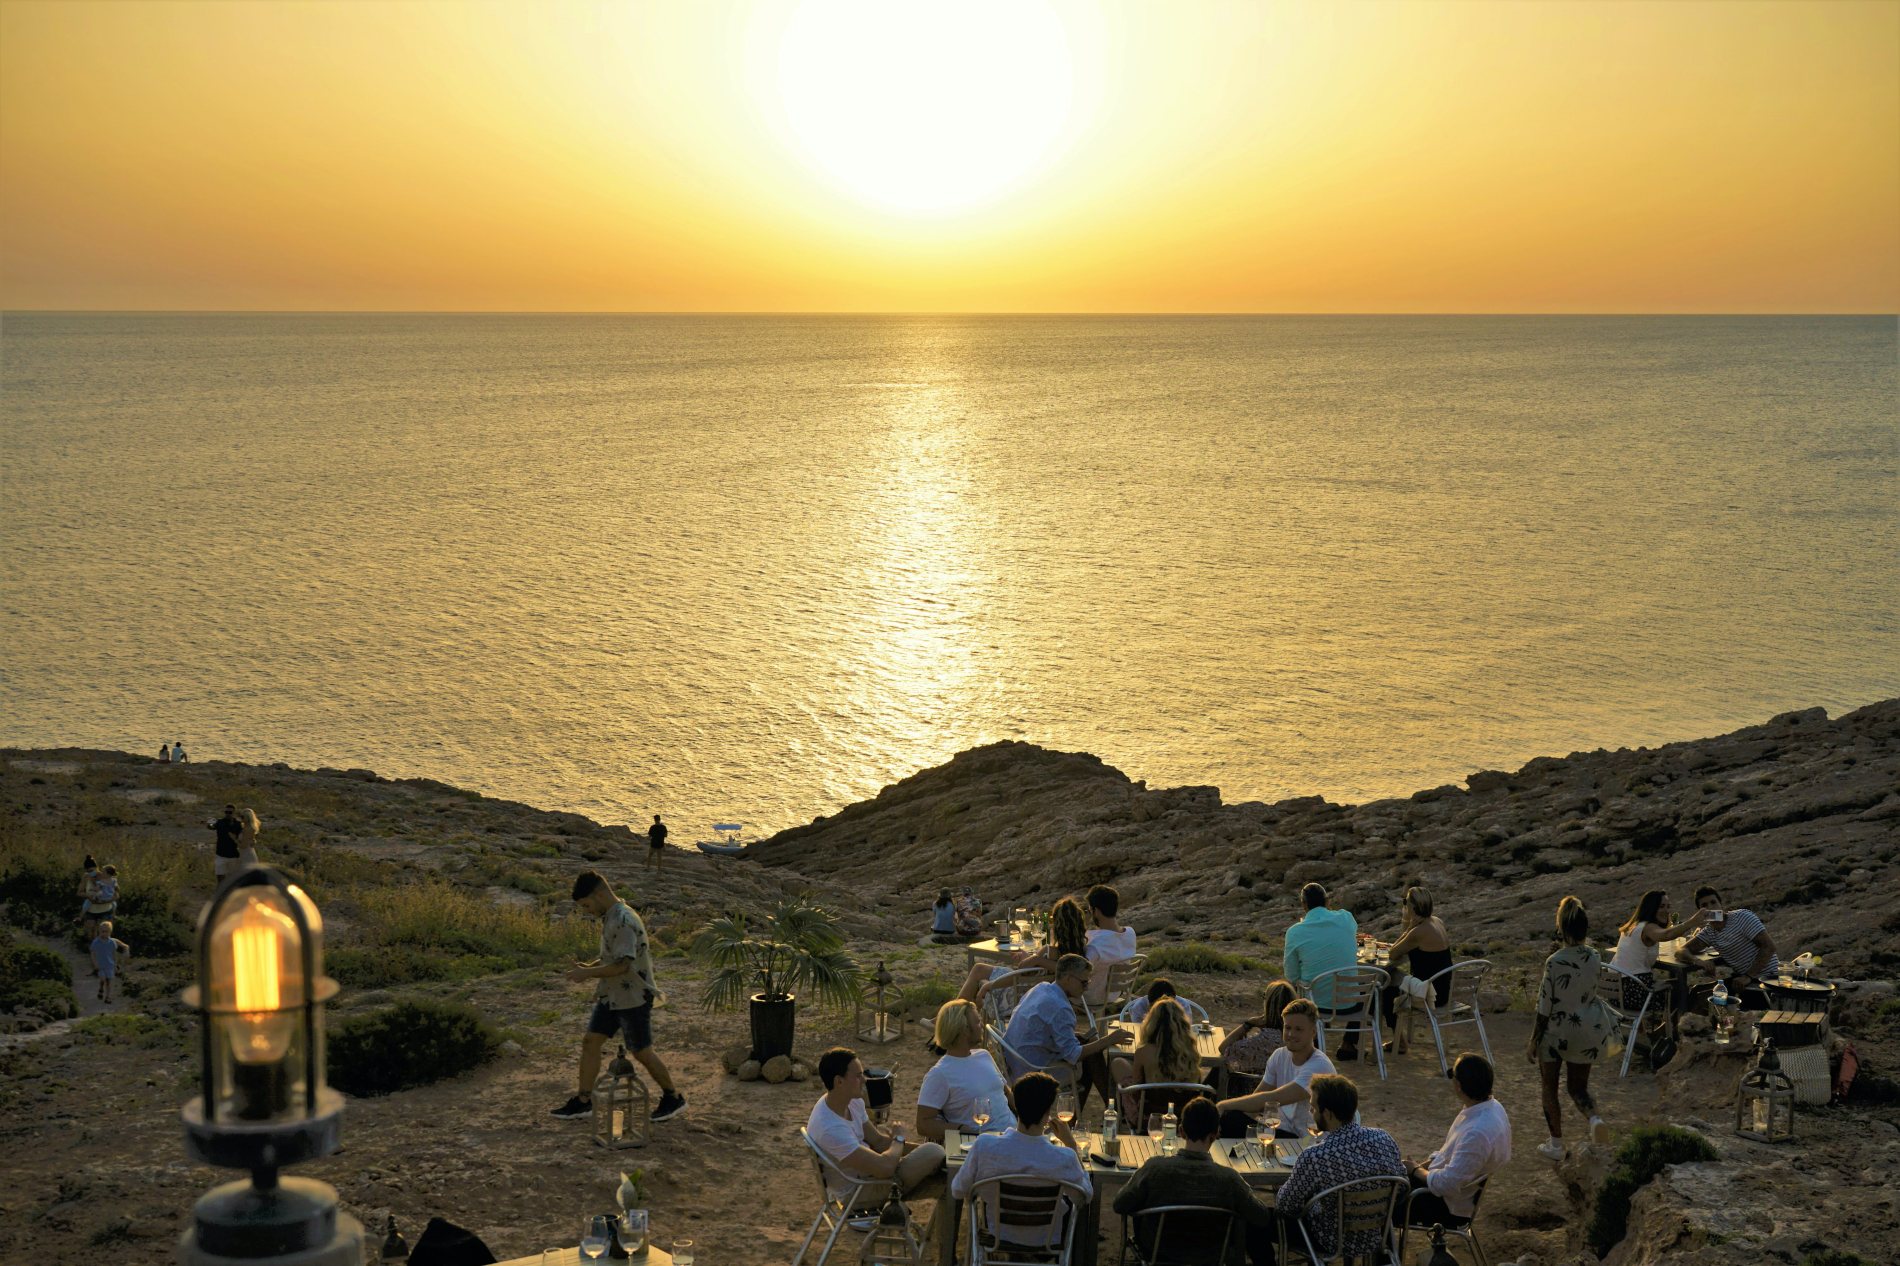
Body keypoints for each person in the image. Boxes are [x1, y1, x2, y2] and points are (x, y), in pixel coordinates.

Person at [551, 871, 686, 1123]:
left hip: (633, 997)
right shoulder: (612, 916)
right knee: (591, 1042)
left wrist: (587, 973)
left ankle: (673, 1097)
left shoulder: (623, 919)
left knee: (642, 1052)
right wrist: (588, 966)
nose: (587, 911)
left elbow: (623, 965)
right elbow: (613, 959)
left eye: (587, 905)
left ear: (599, 894)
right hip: (612, 996)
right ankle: (583, 1102)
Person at [1112, 1096, 1275, 1266]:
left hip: (1158, 1252)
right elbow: (1261, 1216)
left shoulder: (1154, 1169)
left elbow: (1120, 1204)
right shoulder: (1229, 1179)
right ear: (1216, 1134)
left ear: (1181, 1131)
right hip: (1211, 1254)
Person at [808, 1048, 947, 1229]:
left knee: (937, 1160)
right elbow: (886, 1168)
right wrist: (898, 1139)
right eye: (858, 1076)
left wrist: (918, 1151)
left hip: (870, 1175)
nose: (864, 1080)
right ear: (839, 1081)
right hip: (859, 1193)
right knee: (936, 1155)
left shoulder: (850, 1102)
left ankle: (946, 1163)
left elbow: (879, 1142)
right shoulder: (831, 1129)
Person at [1274, 1075, 1404, 1263]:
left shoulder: (1315, 1156)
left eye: (1313, 1108)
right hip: (1376, 1236)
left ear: (1327, 1114)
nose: (1311, 1112)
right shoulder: (1384, 1138)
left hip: (1331, 1240)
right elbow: (1400, 1188)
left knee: (1267, 1221)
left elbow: (1285, 1205)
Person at [950, 1071, 1088, 1245]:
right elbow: (1084, 1196)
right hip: (1046, 1241)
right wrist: (1072, 1146)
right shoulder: (1064, 1157)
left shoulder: (985, 1145)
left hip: (999, 1237)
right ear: (1048, 1113)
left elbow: (957, 1190)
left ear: (1016, 1105)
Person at [1529, 896, 1614, 1160]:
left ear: (1561, 928)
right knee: (1578, 1087)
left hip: (1556, 1031)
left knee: (1549, 1086)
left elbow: (1545, 1007)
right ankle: (1594, 1119)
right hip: (1586, 1027)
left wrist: (1533, 1040)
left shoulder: (1554, 962)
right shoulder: (1595, 956)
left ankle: (1555, 1144)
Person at [1404, 1053, 1510, 1232]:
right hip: (1455, 1192)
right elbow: (1450, 1154)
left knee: (1380, 1204)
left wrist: (1415, 1170)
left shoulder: (1477, 1132)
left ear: (1459, 1086)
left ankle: (1385, 1257)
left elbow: (1447, 1184)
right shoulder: (1491, 1107)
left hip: (1448, 1207)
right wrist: (1419, 1168)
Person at [998, 954, 1131, 1081]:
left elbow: (1044, 1030)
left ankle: (1107, 1100)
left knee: (1088, 1045)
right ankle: (1109, 1099)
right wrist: (1108, 1040)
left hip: (1014, 1061)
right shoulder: (1061, 1007)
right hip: (1033, 1071)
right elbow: (1073, 1055)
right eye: (1084, 982)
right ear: (1068, 979)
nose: (1086, 987)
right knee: (1090, 1058)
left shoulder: (1041, 988)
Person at [1216, 998, 1334, 1139]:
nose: (1291, 1034)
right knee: (1230, 1118)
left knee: (1229, 1115)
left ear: (1313, 1032)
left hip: (1307, 1138)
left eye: (1298, 1029)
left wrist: (1223, 1105)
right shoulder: (1279, 1055)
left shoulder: (1319, 1066)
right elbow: (1258, 1097)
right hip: (1282, 1130)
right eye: (1287, 1028)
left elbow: (1273, 1097)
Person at [916, 1000, 1015, 1143]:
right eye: (977, 1022)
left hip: (1014, 1136)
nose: (981, 1026)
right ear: (964, 1029)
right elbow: (923, 1124)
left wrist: (1029, 1117)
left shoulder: (984, 1055)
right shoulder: (939, 1074)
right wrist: (960, 1129)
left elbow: (1005, 1092)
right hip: (984, 1144)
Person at [1283, 883, 1361, 1060]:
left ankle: (1314, 1041)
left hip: (1315, 1006)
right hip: (1350, 1003)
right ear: (1328, 901)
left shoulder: (1295, 932)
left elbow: (1291, 976)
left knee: (1300, 987)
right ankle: (1349, 1043)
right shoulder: (1346, 918)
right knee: (1368, 988)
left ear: (1304, 905)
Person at [1377, 886, 1453, 1052]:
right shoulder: (1437, 921)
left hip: (1429, 994)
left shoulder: (1418, 931)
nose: (1404, 906)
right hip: (1444, 989)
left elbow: (1393, 952)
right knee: (1391, 978)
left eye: (1406, 902)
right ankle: (1399, 1039)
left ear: (1413, 906)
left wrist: (1406, 923)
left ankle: (1400, 1042)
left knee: (1385, 985)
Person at [1611, 890, 1707, 1014]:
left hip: (1615, 992)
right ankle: (1675, 1030)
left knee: (1676, 987)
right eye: (1661, 906)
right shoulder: (1647, 927)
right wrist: (1692, 922)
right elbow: (1666, 934)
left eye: (1668, 907)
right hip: (1635, 993)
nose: (1666, 911)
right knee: (1683, 992)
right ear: (1651, 907)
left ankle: (1664, 1029)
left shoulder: (1633, 926)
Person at [1112, 997, 1204, 1125]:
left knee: (1118, 1063)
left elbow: (1137, 1091)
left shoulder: (1144, 1051)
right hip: (1184, 1118)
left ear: (1151, 1022)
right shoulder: (1190, 1051)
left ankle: (1115, 1113)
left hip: (1148, 1118)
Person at [1685, 886, 1779, 1002]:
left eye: (1713, 902)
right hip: (1741, 980)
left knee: (1711, 999)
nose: (1710, 908)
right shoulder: (1709, 932)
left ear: (1721, 904)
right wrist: (1697, 961)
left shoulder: (1742, 917)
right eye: (1704, 906)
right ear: (1700, 912)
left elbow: (1769, 947)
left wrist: (1748, 976)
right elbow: (1682, 950)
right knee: (1696, 993)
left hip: (1765, 980)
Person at [1218, 979, 1298, 1092]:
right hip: (1285, 1093)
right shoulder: (1296, 1038)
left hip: (1254, 1094)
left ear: (1269, 1004)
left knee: (1219, 1070)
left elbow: (1223, 1048)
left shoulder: (1264, 1040)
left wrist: (1247, 1025)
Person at [1125, 977, 1200, 1024]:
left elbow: (1185, 1031)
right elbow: (1139, 1032)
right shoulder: (1139, 1008)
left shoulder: (1182, 1006)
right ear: (1150, 1003)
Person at [90, 920, 130, 1003]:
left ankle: (108, 997)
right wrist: (95, 964)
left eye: (106, 932)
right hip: (101, 965)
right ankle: (101, 988)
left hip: (110, 965)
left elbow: (114, 954)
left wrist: (115, 964)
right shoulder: (96, 942)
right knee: (102, 979)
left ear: (110, 932)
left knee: (109, 981)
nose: (104, 933)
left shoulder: (112, 942)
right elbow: (92, 953)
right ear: (99, 931)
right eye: (102, 931)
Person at [207, 805, 243, 881]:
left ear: (234, 813)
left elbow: (243, 837)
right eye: (226, 812)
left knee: (232, 880)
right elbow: (211, 827)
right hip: (220, 855)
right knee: (220, 878)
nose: (228, 814)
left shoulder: (238, 824)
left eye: (230, 812)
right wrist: (209, 823)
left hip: (233, 855)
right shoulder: (220, 822)